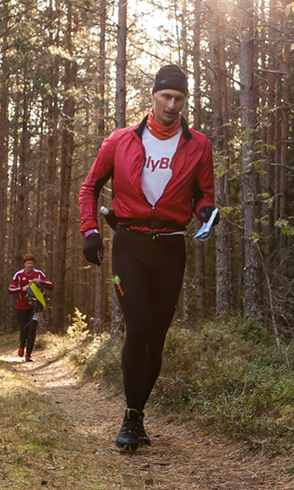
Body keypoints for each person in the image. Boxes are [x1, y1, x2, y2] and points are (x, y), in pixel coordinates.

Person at [77, 65, 216, 452]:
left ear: (185, 102)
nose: (172, 105)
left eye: (179, 99)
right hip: (130, 244)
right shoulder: (121, 141)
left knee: (156, 337)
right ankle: (129, 417)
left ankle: (138, 414)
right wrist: (90, 231)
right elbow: (89, 187)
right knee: (138, 327)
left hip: (171, 246)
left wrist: (206, 212)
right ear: (152, 97)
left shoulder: (198, 145)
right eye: (165, 97)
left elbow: (206, 194)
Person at [8, 253, 53, 362]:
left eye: (31, 263)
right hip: (22, 306)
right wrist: (22, 289)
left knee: (32, 330)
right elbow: (10, 290)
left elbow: (51, 286)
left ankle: (28, 354)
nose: (29, 265)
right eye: (27, 263)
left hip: (36, 307)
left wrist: (41, 281)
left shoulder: (39, 274)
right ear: (24, 265)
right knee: (23, 330)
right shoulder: (18, 275)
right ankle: (22, 345)